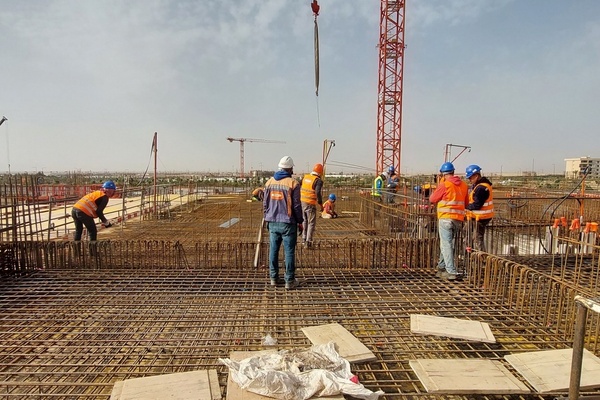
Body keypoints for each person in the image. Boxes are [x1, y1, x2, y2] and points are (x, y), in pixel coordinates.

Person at [263, 156, 304, 290]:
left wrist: (267, 217)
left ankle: (274, 278)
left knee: (273, 251)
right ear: (290, 168)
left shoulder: (269, 183)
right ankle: (289, 280)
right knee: (289, 252)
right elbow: (297, 205)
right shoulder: (293, 183)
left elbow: (265, 203)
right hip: (287, 223)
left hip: (272, 222)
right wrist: (300, 221)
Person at [429, 162, 469, 281]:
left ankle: (451, 271)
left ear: (443, 174)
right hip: (458, 219)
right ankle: (441, 267)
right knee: (447, 243)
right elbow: (466, 203)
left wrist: (440, 185)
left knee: (446, 244)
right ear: (453, 172)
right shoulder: (464, 185)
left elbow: (432, 199)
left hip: (445, 218)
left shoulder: (445, 184)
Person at [465, 164, 494, 252]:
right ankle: (470, 252)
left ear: (477, 176)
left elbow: (477, 205)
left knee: (477, 238)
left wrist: (466, 207)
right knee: (468, 233)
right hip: (477, 216)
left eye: (470, 178)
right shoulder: (479, 186)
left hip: (481, 217)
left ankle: (482, 259)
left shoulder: (481, 188)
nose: (469, 180)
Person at [300, 163, 324, 247]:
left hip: (302, 202)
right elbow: (317, 192)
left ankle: (303, 239)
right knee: (311, 223)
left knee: (305, 221)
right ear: (320, 173)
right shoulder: (318, 181)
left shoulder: (305, 177)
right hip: (310, 204)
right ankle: (308, 242)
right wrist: (321, 204)